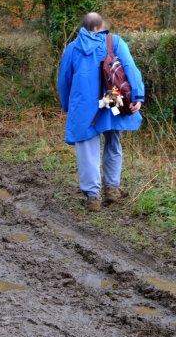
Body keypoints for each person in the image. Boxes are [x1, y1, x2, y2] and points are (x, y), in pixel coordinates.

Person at [57, 12, 144, 212]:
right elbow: (131, 68)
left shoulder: (72, 49)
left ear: (84, 27)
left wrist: (67, 105)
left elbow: (64, 81)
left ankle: (93, 197)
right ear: (100, 26)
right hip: (111, 97)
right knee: (113, 141)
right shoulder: (115, 42)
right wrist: (137, 96)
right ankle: (112, 188)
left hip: (84, 102)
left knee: (87, 149)